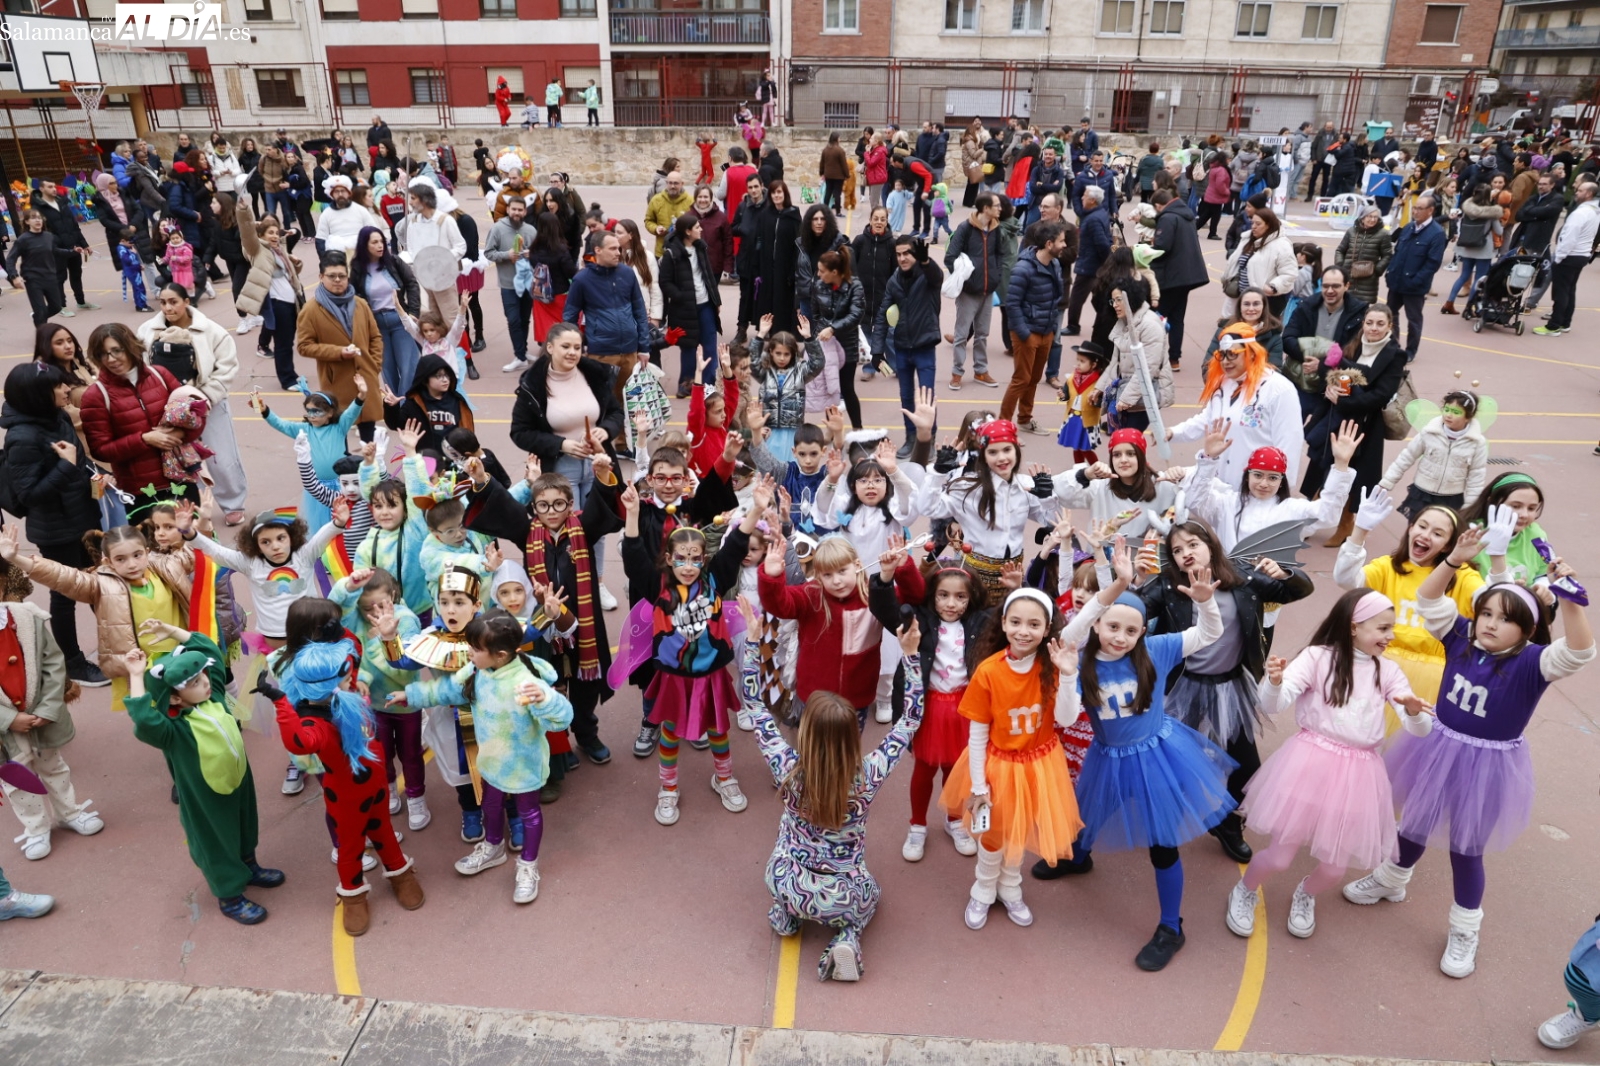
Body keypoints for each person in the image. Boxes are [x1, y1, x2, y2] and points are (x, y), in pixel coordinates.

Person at [1346, 526, 1593, 979]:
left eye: (1506, 619)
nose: (1491, 623)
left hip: (1488, 764)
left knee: (1466, 846)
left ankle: (1465, 928)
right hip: (1437, 746)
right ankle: (1391, 879)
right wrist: (1453, 560)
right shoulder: (1460, 637)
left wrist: (1571, 599)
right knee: (1415, 820)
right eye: (1487, 613)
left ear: (1528, 630)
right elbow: (1428, 598)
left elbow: (1578, 651)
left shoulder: (1532, 662)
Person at [1226, 589, 1432, 941]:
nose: (1390, 636)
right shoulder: (1317, 658)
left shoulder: (1388, 671)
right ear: (1354, 626)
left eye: (1391, 628)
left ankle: (1306, 893)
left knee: (1335, 870)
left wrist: (1413, 712)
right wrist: (1274, 683)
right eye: (1383, 628)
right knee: (1279, 857)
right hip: (1309, 764)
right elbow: (1272, 704)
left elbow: (1419, 728)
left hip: (1359, 774)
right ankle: (1245, 889)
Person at [261, 634, 425, 933]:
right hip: (347, 798)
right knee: (351, 847)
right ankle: (353, 895)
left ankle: (400, 874)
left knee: (385, 833)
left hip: (375, 787)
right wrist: (281, 704)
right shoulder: (315, 722)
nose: (351, 672)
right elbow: (299, 742)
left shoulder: (345, 698)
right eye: (345, 672)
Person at [124, 631, 284, 924]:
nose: (206, 683)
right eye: (195, 682)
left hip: (237, 780)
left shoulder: (216, 699)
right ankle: (229, 895)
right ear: (175, 697)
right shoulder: (174, 731)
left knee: (245, 824)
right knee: (215, 841)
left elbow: (210, 651)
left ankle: (249, 865)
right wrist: (136, 675)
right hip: (206, 796)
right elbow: (144, 719)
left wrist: (174, 632)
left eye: (203, 676)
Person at [0, 362, 108, 685]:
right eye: (58, 386)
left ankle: (117, 644)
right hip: (56, 530)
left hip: (84, 515)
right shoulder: (22, 438)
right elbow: (29, 495)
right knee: (65, 596)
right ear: (37, 395)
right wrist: (65, 467)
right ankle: (73, 664)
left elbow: (79, 458)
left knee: (101, 582)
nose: (66, 389)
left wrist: (98, 475)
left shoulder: (56, 416)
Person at [136, 285, 249, 526]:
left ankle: (233, 504)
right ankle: (191, 508)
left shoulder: (213, 332)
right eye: (163, 302)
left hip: (208, 405)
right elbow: (141, 367)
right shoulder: (147, 331)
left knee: (221, 457)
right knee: (180, 460)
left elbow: (226, 369)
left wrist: (202, 399)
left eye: (173, 302)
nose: (168, 308)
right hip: (168, 410)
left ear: (186, 301)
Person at [1302, 303, 1408, 544]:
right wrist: (1330, 387)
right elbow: (1335, 371)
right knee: (1322, 465)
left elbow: (1381, 395)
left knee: (1355, 476)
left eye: (1380, 324)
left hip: (1365, 425)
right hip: (1337, 417)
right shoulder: (1354, 342)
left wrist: (1344, 401)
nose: (1374, 328)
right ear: (1363, 324)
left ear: (1389, 326)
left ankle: (1345, 524)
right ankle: (1310, 518)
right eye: (1370, 323)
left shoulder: (1395, 355)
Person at [77, 324, 186, 522]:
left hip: (181, 479)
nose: (111, 359)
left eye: (117, 350)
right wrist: (144, 439)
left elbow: (194, 417)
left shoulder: (160, 375)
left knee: (192, 537)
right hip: (140, 491)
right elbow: (101, 449)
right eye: (103, 354)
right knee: (153, 541)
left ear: (131, 346)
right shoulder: (96, 396)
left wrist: (179, 434)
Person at [296, 251, 385, 443]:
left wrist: (374, 365)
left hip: (365, 379)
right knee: (338, 435)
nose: (337, 280)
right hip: (336, 382)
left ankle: (369, 462)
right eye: (332, 276)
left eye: (342, 276)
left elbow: (375, 337)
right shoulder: (311, 310)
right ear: (321, 277)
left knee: (368, 435)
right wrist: (338, 352)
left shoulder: (361, 304)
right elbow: (304, 346)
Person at [562, 231, 651, 407]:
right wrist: (577, 348)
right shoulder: (582, 280)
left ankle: (625, 427)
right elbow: (569, 318)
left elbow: (640, 312)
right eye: (612, 249)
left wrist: (644, 347)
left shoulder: (627, 273)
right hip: (601, 354)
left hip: (630, 352)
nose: (618, 252)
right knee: (603, 403)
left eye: (618, 248)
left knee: (629, 402)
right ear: (598, 250)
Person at [878, 236, 943, 458]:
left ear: (915, 254)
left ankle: (929, 438)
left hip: (925, 346)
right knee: (906, 396)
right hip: (902, 348)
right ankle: (911, 437)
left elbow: (937, 276)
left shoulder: (927, 275)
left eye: (907, 253)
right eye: (898, 254)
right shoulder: (894, 281)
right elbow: (882, 316)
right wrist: (876, 350)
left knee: (926, 396)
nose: (902, 258)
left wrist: (926, 262)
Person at [1001, 220, 1067, 434]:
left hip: (1045, 331)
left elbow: (1056, 297)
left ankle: (1024, 419)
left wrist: (1050, 329)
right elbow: (1012, 304)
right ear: (1049, 244)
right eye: (1061, 241)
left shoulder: (1055, 265)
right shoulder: (1023, 268)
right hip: (1027, 333)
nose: (1065, 245)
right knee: (1021, 379)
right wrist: (1024, 334)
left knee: (1034, 379)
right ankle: (1002, 425)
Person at [235, 200, 305, 391]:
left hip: (291, 302)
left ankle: (291, 374)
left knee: (288, 341)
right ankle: (287, 380)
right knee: (282, 343)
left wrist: (295, 263)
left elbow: (289, 276)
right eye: (270, 233)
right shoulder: (257, 250)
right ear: (261, 236)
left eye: (276, 232)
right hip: (276, 303)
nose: (274, 236)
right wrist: (244, 210)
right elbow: (247, 232)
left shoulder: (279, 251)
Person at [350, 226, 422, 394]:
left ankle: (405, 405)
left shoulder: (394, 262)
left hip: (400, 320)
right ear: (364, 245)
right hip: (377, 325)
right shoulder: (357, 269)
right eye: (374, 242)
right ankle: (394, 405)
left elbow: (412, 284)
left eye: (381, 241)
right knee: (388, 371)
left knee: (408, 368)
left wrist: (413, 312)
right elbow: (354, 297)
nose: (380, 245)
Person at [660, 212, 722, 399]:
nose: (701, 229)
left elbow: (708, 275)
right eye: (697, 227)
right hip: (684, 308)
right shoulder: (672, 254)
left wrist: (716, 300)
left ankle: (708, 384)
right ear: (687, 232)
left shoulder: (701, 248)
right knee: (688, 346)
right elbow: (665, 282)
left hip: (706, 305)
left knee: (709, 345)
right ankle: (686, 384)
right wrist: (680, 296)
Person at [945, 191, 1002, 391]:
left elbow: (999, 255)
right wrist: (966, 282)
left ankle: (980, 371)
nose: (1000, 208)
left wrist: (995, 277)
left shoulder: (996, 229)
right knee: (961, 335)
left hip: (988, 291)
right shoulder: (965, 228)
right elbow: (950, 257)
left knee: (982, 334)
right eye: (996, 205)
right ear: (985, 208)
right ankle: (957, 373)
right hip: (968, 292)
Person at [1149, 188, 1209, 370]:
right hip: (1186, 275)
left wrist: (1145, 250)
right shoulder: (1185, 215)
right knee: (1177, 318)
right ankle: (1174, 358)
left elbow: (1162, 247)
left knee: (1156, 317)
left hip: (1170, 276)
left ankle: (1153, 356)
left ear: (1158, 205)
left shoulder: (1167, 218)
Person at [1103, 277, 1172, 434]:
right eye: (1113, 301)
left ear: (1131, 297)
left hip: (1142, 399)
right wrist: (1100, 389)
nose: (1115, 305)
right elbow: (1115, 363)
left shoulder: (1149, 325)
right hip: (1125, 393)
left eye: (1119, 299)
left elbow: (1148, 368)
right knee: (1121, 442)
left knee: (1128, 442)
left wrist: (1126, 398)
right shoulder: (1124, 322)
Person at [394, 180, 466, 325]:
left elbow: (460, 246)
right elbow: (410, 246)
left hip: (442, 278)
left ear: (424, 200)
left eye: (413, 198)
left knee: (451, 320)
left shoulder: (445, 220)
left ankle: (457, 341)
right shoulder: (413, 221)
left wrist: (442, 259)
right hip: (423, 277)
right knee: (432, 320)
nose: (410, 202)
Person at [1384, 195, 1447, 360]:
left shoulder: (1437, 233)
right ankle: (1393, 346)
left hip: (1414, 286)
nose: (1415, 211)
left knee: (1414, 319)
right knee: (1390, 315)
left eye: (1420, 208)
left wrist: (1416, 281)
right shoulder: (1408, 227)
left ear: (1430, 210)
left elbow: (1432, 263)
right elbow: (1397, 252)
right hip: (1396, 282)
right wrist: (1390, 271)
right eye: (1414, 208)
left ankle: (1410, 351)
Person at [1535, 181, 1597, 337]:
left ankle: (1553, 325)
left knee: (1561, 292)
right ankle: (1565, 323)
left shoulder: (1580, 214)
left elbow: (1569, 237)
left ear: (1589, 194)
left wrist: (1559, 257)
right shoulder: (1594, 212)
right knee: (1569, 290)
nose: (1576, 192)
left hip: (1570, 256)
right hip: (1581, 255)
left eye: (1580, 190)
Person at [483, 196, 537, 372]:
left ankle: (522, 352)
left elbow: (539, 254)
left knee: (524, 319)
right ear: (507, 210)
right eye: (513, 209)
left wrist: (532, 255)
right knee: (513, 320)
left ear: (525, 211)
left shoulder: (530, 230)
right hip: (508, 284)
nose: (516, 213)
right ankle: (520, 356)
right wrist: (507, 255)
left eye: (520, 210)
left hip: (527, 284)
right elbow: (488, 253)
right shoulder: (497, 228)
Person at [33, 181, 97, 316]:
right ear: (41, 189)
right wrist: (55, 243)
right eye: (50, 187)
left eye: (54, 186)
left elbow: (74, 226)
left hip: (74, 246)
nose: (54, 189)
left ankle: (81, 301)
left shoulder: (63, 203)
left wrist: (84, 244)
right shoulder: (38, 208)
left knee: (76, 274)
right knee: (60, 277)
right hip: (57, 249)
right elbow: (42, 231)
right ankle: (61, 306)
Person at [1221, 207, 1297, 320]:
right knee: (1230, 326)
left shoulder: (1282, 246)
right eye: (1252, 223)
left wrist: (1273, 287)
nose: (1253, 227)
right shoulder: (1247, 239)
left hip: (1265, 300)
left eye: (1258, 224)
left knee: (1258, 328)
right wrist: (1227, 278)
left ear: (1269, 225)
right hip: (1240, 296)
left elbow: (1290, 274)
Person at [1440, 185, 1502, 316]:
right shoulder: (1492, 212)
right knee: (1479, 278)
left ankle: (1449, 303)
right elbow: (1499, 231)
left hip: (1466, 246)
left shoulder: (1467, 209)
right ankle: (1469, 307)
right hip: (1483, 248)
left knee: (1464, 276)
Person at [751, 180, 803, 336]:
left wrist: (793, 270)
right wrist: (757, 265)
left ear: (785, 193)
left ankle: (783, 335)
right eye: (773, 193)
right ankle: (768, 331)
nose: (776, 195)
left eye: (779, 192)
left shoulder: (793, 215)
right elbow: (759, 240)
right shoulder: (765, 215)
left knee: (782, 302)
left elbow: (798, 245)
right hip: (767, 267)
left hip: (785, 269)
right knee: (767, 301)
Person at [1065, 186, 1112, 337]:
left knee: (1076, 298)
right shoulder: (1100, 214)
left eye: (1084, 196)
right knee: (1098, 296)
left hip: (1089, 265)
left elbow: (1102, 243)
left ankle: (1073, 325)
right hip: (1093, 263)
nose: (1082, 198)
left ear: (1092, 200)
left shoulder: (1093, 219)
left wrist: (1105, 262)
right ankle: (1104, 321)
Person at [6, 210, 64, 325]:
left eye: (39, 217)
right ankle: (42, 332)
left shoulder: (48, 236)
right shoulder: (23, 240)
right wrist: (14, 276)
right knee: (40, 311)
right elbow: (10, 259)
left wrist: (73, 251)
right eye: (33, 218)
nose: (38, 220)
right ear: (27, 222)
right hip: (33, 279)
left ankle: (37, 316)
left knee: (56, 307)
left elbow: (55, 251)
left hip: (50, 277)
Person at [1334, 207, 1393, 306]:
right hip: (1348, 277)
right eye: (1369, 216)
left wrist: (1377, 270)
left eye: (1375, 217)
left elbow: (1387, 255)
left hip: (1368, 281)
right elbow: (1340, 250)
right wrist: (1340, 266)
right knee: (1343, 306)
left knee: (1362, 308)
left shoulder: (1383, 234)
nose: (1373, 219)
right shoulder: (1351, 231)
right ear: (1362, 218)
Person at [314, 176, 379, 257]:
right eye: (336, 191)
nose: (340, 194)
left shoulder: (360, 210)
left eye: (343, 191)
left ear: (348, 193)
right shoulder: (326, 214)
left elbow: (373, 231)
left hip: (360, 254)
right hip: (336, 256)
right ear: (331, 194)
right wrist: (325, 259)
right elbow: (321, 239)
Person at [644, 171, 692, 258]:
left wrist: (685, 229)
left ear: (682, 184)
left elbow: (697, 224)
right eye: (670, 183)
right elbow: (648, 220)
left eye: (676, 183)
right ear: (666, 183)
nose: (672, 186)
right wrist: (656, 228)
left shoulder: (690, 201)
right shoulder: (656, 200)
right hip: (662, 252)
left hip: (684, 251)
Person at [820, 133, 850, 214]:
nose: (840, 140)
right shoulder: (840, 150)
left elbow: (822, 162)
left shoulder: (825, 150)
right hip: (838, 176)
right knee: (837, 194)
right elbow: (844, 164)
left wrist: (822, 172)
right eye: (839, 138)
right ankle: (838, 211)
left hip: (828, 175)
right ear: (836, 139)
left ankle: (824, 210)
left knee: (828, 192)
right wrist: (847, 174)